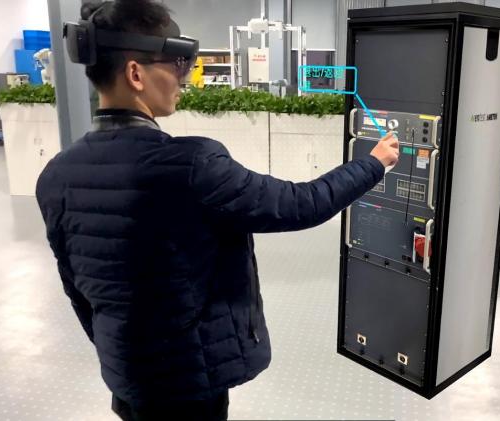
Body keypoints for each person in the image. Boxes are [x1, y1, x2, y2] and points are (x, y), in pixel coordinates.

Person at [35, 1, 400, 420]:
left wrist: (119, 350)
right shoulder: (193, 165)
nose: (182, 79)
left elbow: (77, 289)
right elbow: (301, 204)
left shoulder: (55, 176)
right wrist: (373, 163)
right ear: (136, 74)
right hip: (190, 381)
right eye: (175, 65)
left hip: (127, 377)